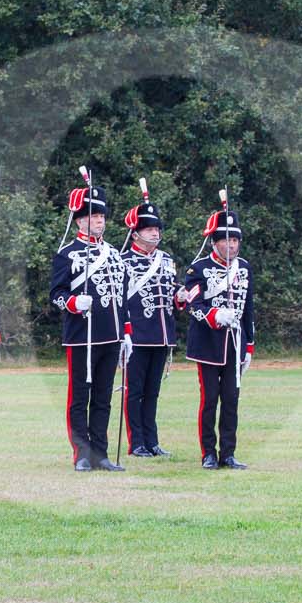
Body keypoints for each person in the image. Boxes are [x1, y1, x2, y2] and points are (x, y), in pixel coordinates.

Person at [49, 175, 127, 471]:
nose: (98, 221)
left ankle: (100, 452)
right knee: (80, 396)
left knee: (104, 398)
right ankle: (81, 453)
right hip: (82, 335)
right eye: (92, 216)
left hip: (111, 335)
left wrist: (127, 334)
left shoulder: (115, 255)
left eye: (101, 216)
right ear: (80, 221)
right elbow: (56, 294)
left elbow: (123, 299)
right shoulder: (66, 254)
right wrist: (72, 303)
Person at [184, 197, 255, 469]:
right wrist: (215, 315)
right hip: (208, 344)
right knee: (210, 400)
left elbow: (248, 309)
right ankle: (208, 453)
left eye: (235, 240)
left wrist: (249, 346)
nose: (232, 245)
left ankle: (228, 453)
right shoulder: (198, 269)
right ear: (214, 242)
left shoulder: (245, 268)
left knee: (232, 401)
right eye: (226, 240)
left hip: (235, 344)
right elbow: (193, 304)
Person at [119, 181, 178, 458]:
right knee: (135, 391)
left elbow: (171, 295)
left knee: (152, 392)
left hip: (162, 334)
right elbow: (120, 302)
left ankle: (152, 441)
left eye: (156, 229)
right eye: (149, 229)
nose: (155, 233)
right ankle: (137, 442)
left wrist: (182, 297)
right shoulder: (123, 261)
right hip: (138, 334)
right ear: (135, 233)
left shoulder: (166, 259)